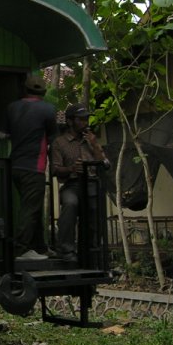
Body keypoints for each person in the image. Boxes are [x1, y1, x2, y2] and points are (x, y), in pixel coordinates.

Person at [0, 73, 56, 260]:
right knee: (29, 209)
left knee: (34, 207)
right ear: (44, 92)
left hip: (14, 164)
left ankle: (39, 247)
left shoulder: (12, 107)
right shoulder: (48, 110)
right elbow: (53, 139)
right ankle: (21, 249)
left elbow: (2, 134)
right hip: (34, 167)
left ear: (25, 89)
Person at [51, 104, 109, 263]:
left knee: (94, 210)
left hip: (91, 184)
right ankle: (66, 249)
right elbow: (55, 169)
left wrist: (95, 144)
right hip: (72, 184)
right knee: (70, 204)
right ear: (70, 121)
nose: (85, 122)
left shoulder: (91, 139)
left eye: (86, 119)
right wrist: (71, 168)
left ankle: (92, 251)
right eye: (81, 119)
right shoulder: (60, 142)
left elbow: (104, 164)